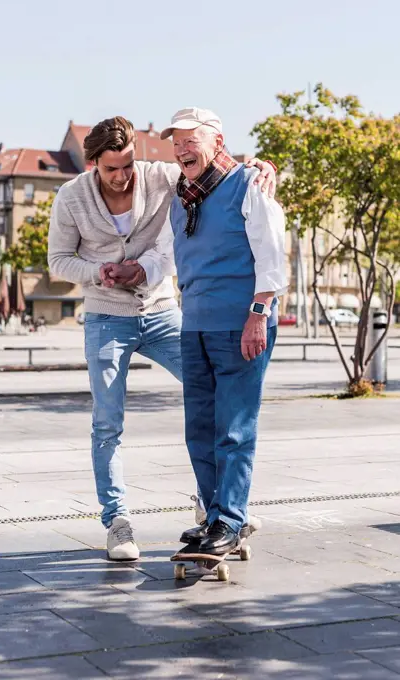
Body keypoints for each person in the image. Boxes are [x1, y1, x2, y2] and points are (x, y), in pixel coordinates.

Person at [48, 116, 277, 560]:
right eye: (111, 168)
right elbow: (58, 260)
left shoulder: (162, 175)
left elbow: (216, 171)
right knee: (107, 423)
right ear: (92, 162)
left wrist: (259, 166)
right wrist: (97, 273)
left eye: (127, 164)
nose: (122, 175)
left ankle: (219, 509)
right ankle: (117, 521)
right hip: (106, 317)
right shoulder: (71, 196)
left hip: (161, 312)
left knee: (209, 405)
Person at [162, 107, 287, 554]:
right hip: (193, 324)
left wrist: (259, 313)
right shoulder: (181, 195)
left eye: (190, 140)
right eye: (175, 143)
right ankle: (214, 516)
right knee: (198, 428)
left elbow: (273, 256)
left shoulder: (248, 184)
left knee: (233, 428)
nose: (181, 150)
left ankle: (231, 521)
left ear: (217, 140)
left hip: (241, 325)